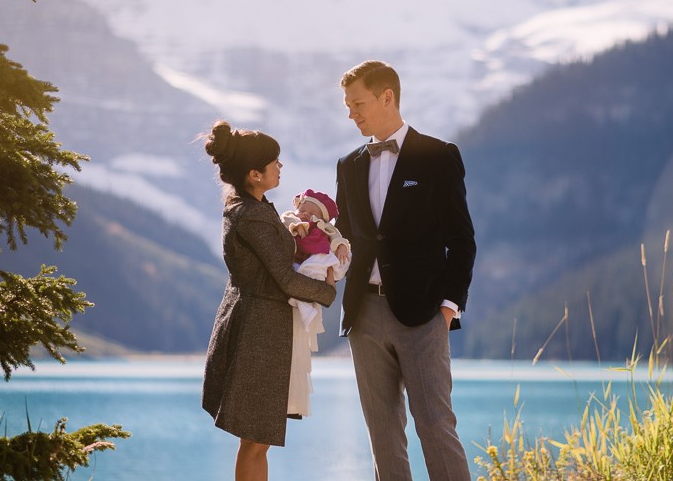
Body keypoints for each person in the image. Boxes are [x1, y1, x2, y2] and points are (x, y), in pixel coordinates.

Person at [335, 60, 477, 480]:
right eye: (347, 105)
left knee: (435, 427)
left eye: (358, 103)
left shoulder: (438, 155)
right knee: (382, 436)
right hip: (364, 316)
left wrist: (448, 307)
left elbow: (462, 239)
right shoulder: (348, 164)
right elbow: (345, 238)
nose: (351, 114)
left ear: (387, 97)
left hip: (424, 316)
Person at [201, 121, 336, 481]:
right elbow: (286, 279)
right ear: (254, 174)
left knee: (257, 440)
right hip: (258, 335)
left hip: (257, 327)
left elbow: (271, 265)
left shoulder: (250, 208)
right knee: (256, 440)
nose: (281, 167)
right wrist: (328, 292)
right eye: (274, 162)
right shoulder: (253, 216)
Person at [279, 189, 350, 418]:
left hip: (315, 264)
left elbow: (338, 237)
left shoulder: (324, 228)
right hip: (296, 265)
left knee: (323, 266)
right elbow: (286, 220)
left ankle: (307, 301)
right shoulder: (291, 217)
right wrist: (295, 224)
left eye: (313, 213)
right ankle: (303, 300)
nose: (307, 215)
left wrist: (341, 247)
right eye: (304, 210)